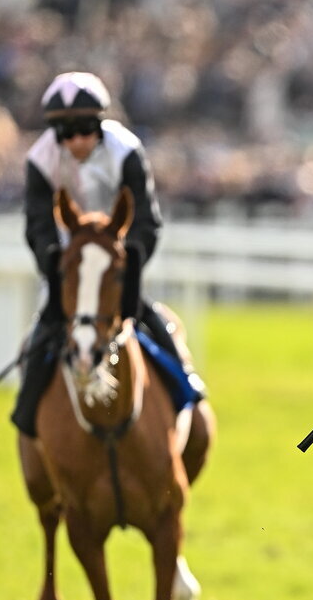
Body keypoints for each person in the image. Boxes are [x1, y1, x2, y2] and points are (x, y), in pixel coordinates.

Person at [12, 71, 204, 438]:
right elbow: (37, 224)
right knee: (46, 325)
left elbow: (146, 218)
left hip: (115, 259)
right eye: (66, 133)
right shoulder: (39, 159)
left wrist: (129, 262)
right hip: (69, 264)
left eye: (85, 129)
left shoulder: (126, 149)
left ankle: (186, 382)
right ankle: (27, 412)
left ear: (101, 124)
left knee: (144, 312)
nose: (77, 141)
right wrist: (55, 263)